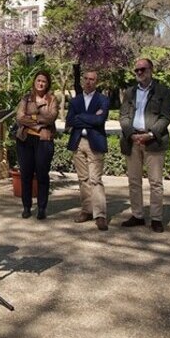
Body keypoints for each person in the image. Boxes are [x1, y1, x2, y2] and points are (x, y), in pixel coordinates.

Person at [119, 58, 170, 233]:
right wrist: (132, 134)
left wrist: (149, 135)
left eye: (143, 69)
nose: (140, 73)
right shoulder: (129, 92)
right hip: (132, 140)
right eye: (137, 70)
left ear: (151, 69)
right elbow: (124, 116)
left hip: (154, 141)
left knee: (155, 182)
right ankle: (137, 215)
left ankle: (156, 218)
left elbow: (165, 117)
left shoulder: (162, 91)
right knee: (134, 181)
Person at [66, 70, 110, 231]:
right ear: (82, 80)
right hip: (78, 143)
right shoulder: (75, 100)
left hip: (95, 143)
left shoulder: (103, 99)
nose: (89, 82)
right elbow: (70, 120)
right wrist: (89, 118)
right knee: (83, 179)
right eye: (86, 78)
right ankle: (87, 210)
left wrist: (81, 117)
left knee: (95, 179)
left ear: (96, 82)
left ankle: (100, 215)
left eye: (92, 79)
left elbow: (100, 120)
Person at [15, 70, 58, 220]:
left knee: (42, 175)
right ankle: (26, 207)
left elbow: (51, 118)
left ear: (47, 84)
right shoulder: (26, 99)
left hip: (43, 141)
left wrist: (31, 118)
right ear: (34, 82)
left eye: (44, 81)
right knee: (26, 174)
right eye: (38, 80)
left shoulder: (52, 100)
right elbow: (20, 118)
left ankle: (41, 207)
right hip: (25, 140)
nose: (40, 83)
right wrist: (39, 119)